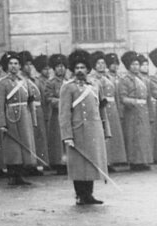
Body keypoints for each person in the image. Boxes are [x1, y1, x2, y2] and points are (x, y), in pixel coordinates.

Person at [59, 50, 110, 205]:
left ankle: (89, 194)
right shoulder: (68, 87)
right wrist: (67, 136)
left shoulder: (95, 84)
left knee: (92, 162)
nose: (80, 70)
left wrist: (106, 130)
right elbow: (64, 113)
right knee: (79, 164)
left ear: (88, 69)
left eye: (83, 67)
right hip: (77, 129)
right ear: (73, 70)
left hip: (94, 130)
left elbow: (101, 108)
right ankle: (80, 194)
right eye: (77, 68)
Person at [0, 51, 39, 186]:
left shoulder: (25, 82)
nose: (14, 66)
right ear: (6, 66)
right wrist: (0, 123)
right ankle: (12, 175)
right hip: (10, 117)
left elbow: (31, 101)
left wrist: (33, 119)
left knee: (24, 145)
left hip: (24, 116)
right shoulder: (2, 83)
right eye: (11, 64)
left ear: (20, 66)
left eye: (16, 63)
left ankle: (20, 174)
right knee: (12, 147)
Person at [117, 51, 154, 171]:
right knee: (134, 137)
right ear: (128, 66)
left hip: (143, 111)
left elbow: (148, 98)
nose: (136, 67)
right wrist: (135, 102)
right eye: (133, 64)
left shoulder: (143, 79)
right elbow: (123, 98)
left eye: (137, 64)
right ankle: (135, 162)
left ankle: (143, 160)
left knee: (144, 137)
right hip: (132, 112)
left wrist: (151, 115)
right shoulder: (125, 80)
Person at [92, 52, 126, 170]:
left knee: (113, 136)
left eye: (103, 63)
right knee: (103, 135)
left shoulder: (109, 78)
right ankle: (104, 162)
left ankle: (112, 160)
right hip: (102, 108)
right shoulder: (93, 79)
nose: (101, 65)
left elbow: (116, 95)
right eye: (98, 63)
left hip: (113, 109)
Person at [44, 54, 69, 174]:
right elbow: (49, 98)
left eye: (63, 66)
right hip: (57, 114)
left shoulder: (70, 82)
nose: (61, 69)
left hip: (69, 114)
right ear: (54, 69)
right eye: (58, 66)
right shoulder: (50, 83)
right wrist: (63, 103)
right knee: (58, 140)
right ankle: (58, 162)